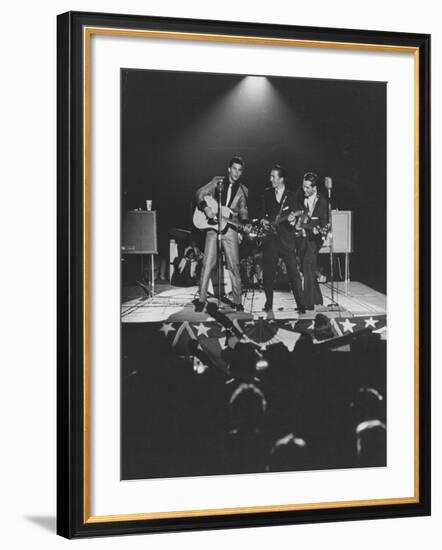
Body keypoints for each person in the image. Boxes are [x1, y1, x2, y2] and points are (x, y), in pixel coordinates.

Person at [194, 156, 249, 312]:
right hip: (212, 227)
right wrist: (206, 208)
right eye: (234, 169)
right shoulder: (217, 181)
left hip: (230, 229)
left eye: (240, 170)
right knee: (207, 264)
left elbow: (244, 212)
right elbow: (199, 193)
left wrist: (245, 227)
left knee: (234, 265)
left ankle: (237, 301)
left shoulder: (243, 190)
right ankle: (202, 300)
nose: (236, 172)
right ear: (229, 169)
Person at [260, 165, 305, 313]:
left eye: (273, 177)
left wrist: (292, 220)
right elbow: (262, 214)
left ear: (281, 179)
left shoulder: (292, 196)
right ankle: (269, 303)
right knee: (268, 273)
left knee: (293, 272)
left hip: (286, 240)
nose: (270, 179)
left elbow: (298, 216)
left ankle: (301, 305)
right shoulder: (267, 194)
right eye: (270, 176)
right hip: (270, 240)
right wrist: (263, 221)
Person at [296, 172, 329, 310]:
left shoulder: (322, 201)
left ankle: (308, 303)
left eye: (308, 188)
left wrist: (319, 230)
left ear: (314, 188)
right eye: (304, 187)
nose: (305, 190)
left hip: (315, 239)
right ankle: (318, 299)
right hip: (304, 237)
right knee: (306, 268)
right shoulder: (302, 197)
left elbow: (325, 223)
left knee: (307, 264)